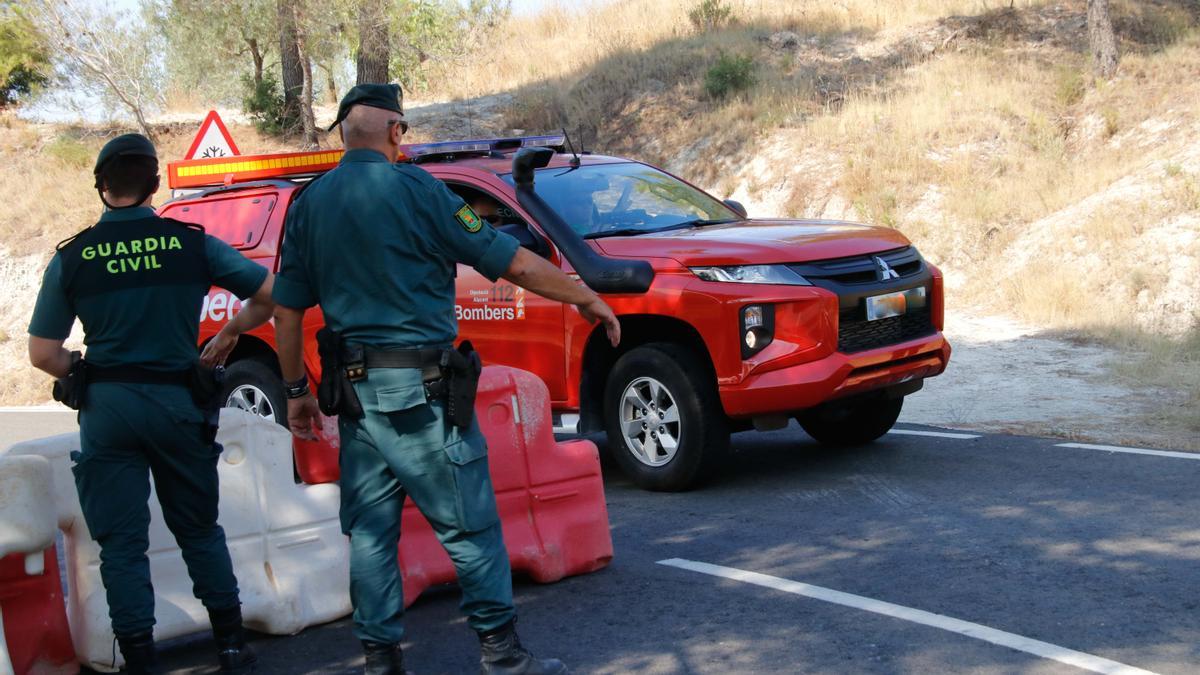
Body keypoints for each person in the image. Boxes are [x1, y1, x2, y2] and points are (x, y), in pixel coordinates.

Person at [271, 83, 621, 675]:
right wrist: (584, 296)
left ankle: (382, 663)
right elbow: (511, 260)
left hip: (357, 403)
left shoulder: (307, 204)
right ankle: (503, 658)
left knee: (371, 537)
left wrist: (297, 394)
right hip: (425, 402)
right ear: (396, 131)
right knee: (470, 529)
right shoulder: (421, 191)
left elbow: (285, 312)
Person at [27, 133, 276, 674]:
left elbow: (43, 353)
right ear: (156, 184)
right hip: (178, 405)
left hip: (108, 410)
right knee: (198, 529)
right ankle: (231, 646)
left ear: (101, 188)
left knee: (121, 545)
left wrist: (86, 370)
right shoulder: (191, 244)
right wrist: (230, 333)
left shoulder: (73, 258)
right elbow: (269, 294)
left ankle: (140, 659)